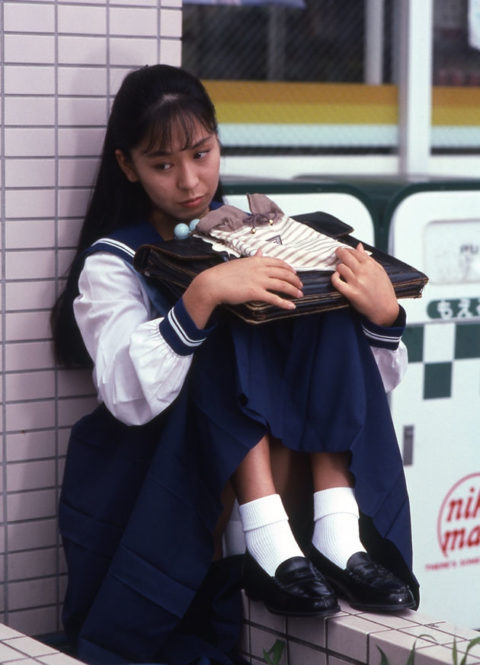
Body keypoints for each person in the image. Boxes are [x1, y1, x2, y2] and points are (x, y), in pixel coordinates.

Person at [52, 64, 418, 665]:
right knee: (226, 312)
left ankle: (336, 532)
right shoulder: (113, 261)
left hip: (278, 468)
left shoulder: (261, 229)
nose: (190, 181)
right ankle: (271, 538)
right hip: (162, 473)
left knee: (316, 295)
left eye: (202, 153)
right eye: (162, 165)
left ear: (219, 140)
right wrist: (202, 294)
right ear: (128, 166)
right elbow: (125, 395)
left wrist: (379, 317)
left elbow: (363, 391)